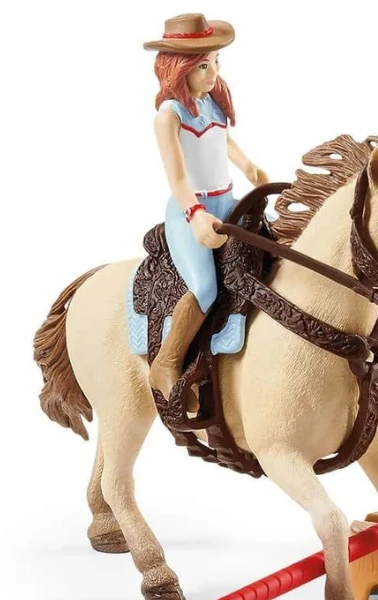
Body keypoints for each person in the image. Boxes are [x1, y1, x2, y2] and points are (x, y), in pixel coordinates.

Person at [143, 14, 269, 399]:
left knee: (270, 246)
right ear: (179, 68)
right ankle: (166, 363)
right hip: (189, 210)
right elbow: (179, 177)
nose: (213, 73)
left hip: (227, 201)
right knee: (205, 287)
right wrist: (196, 216)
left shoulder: (212, 104)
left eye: (215, 62)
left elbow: (223, 141)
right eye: (202, 65)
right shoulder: (169, 117)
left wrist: (249, 168)